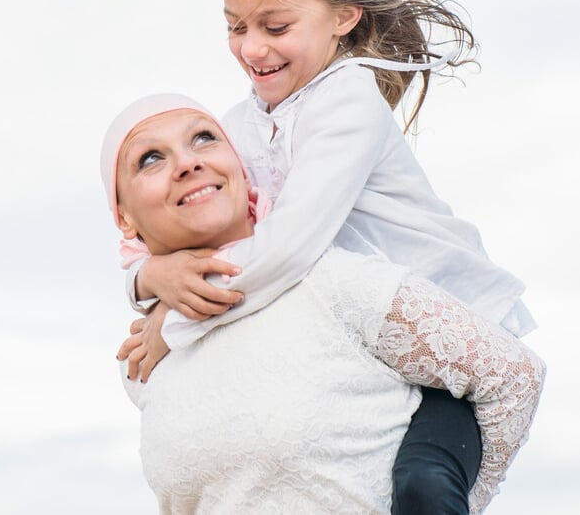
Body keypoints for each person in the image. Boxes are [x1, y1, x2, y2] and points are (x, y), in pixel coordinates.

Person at [120, 0, 536, 514]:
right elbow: (206, 225)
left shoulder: (347, 103)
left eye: (275, 27)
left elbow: (287, 247)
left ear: (343, 16)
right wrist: (148, 278)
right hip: (357, 346)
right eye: (236, 27)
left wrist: (181, 318)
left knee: (422, 487)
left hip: (444, 343)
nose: (252, 49)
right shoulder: (239, 122)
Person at [102, 95, 545, 514]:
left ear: (239, 167)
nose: (188, 162)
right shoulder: (146, 360)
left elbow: (513, 375)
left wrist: (451, 504)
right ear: (122, 215)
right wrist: (148, 284)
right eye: (151, 159)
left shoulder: (332, 280)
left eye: (204, 138)